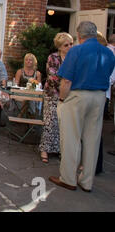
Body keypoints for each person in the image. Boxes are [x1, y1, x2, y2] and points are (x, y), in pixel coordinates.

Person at [49, 21, 115, 192]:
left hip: (78, 96)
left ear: (79, 35)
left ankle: (68, 179)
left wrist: (62, 100)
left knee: (71, 138)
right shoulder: (108, 53)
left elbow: (66, 80)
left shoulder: (76, 51)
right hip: (100, 96)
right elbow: (108, 76)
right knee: (92, 140)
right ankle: (87, 181)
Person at [39, 32, 73, 164]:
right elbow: (52, 76)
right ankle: (45, 149)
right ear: (59, 47)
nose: (69, 47)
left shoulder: (73, 57)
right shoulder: (53, 57)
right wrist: (65, 87)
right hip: (52, 94)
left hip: (68, 95)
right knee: (50, 122)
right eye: (66, 45)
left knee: (63, 123)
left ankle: (60, 149)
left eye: (71, 44)